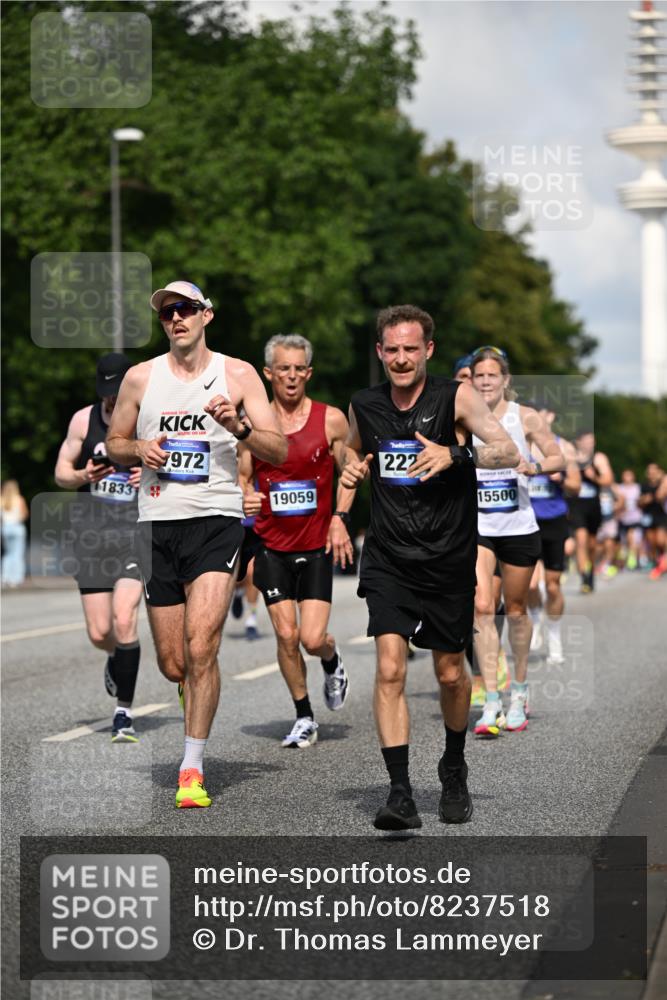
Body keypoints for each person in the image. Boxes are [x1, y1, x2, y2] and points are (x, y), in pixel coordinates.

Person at [107, 280, 287, 808]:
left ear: (207, 314)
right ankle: (194, 692)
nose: (176, 318)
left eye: (185, 309)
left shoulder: (238, 374)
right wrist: (138, 446)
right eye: (167, 313)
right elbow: (115, 443)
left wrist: (240, 425)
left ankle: (191, 767)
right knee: (173, 663)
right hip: (157, 525)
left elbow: (276, 448)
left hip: (216, 520)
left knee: (202, 644)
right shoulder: (141, 378)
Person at [340, 306, 519, 832]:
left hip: (447, 558)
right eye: (391, 350)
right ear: (380, 352)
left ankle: (454, 767)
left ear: (428, 351)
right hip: (390, 557)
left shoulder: (455, 397)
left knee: (448, 672)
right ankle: (400, 793)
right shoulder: (365, 404)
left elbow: (506, 450)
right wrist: (339, 503)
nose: (400, 358)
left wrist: (456, 456)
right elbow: (350, 458)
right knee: (391, 667)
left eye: (410, 349)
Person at [240, 334, 353, 749]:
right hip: (271, 546)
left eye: (298, 369)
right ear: (268, 373)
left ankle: (331, 657)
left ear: (309, 372)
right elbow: (241, 475)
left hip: (316, 546)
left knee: (311, 638)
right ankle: (304, 716)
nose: (291, 376)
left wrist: (340, 517)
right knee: (286, 637)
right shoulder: (251, 424)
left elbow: (353, 471)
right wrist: (244, 498)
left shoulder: (331, 420)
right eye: (282, 369)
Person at [470, 347, 565, 737]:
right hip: (479, 527)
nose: (487, 382)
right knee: (480, 606)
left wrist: (534, 465)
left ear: (505, 380)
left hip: (519, 527)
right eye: (480, 377)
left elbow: (558, 457)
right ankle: (491, 697)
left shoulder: (524, 416)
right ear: (472, 381)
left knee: (516, 610)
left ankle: (520, 691)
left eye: (493, 376)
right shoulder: (465, 417)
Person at [54, 353, 143, 742]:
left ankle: (123, 712)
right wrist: (82, 475)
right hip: (91, 538)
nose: (111, 401)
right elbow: (60, 473)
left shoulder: (147, 418)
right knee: (99, 631)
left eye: (116, 393)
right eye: (105, 393)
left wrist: (152, 470)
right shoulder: (82, 420)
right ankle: (116, 657)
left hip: (134, 536)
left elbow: (177, 465)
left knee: (125, 620)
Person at [526, 408, 581, 665]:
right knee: (528, 585)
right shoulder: (519, 443)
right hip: (526, 519)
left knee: (552, 584)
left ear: (552, 417)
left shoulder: (564, 447)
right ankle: (536, 620)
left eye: (544, 414)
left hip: (555, 521)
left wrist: (560, 479)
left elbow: (576, 486)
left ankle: (555, 636)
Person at [569, 431, 614, 593]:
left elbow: (608, 480)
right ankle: (585, 577)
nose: (591, 443)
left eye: (593, 440)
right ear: (579, 442)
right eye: (588, 440)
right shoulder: (571, 457)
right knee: (581, 540)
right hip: (576, 505)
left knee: (592, 544)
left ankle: (591, 569)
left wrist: (593, 476)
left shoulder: (599, 458)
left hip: (593, 506)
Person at [639, 463, 667, 578]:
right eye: (650, 471)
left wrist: (663, 480)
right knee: (652, 542)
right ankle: (658, 562)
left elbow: (660, 496)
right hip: (648, 516)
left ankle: (663, 558)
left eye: (654, 470)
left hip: (661, 515)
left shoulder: (663, 483)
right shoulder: (644, 486)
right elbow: (639, 502)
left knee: (661, 540)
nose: (652, 473)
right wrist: (644, 500)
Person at [614, 469, 643, 571]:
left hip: (635, 517)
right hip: (623, 518)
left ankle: (632, 558)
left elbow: (641, 501)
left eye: (629, 476)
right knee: (623, 541)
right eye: (625, 476)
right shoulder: (619, 488)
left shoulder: (637, 488)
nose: (627, 478)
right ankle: (623, 560)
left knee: (633, 537)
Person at [1, 480, 28, 587]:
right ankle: (16, 579)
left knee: (8, 553)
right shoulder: (19, 500)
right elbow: (24, 515)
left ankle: (5, 577)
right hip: (17, 528)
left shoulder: (2, 500)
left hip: (5, 528)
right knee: (17, 554)